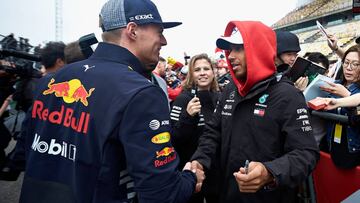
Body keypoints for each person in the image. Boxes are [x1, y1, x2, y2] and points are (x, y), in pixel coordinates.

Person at [16, 0, 204, 202]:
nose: (164, 41)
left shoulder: (51, 80)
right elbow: (162, 193)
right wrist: (192, 178)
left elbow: (22, 155)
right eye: (159, 31)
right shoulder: (141, 92)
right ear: (132, 30)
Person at [190, 21, 319, 203]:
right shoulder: (230, 90)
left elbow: (306, 153)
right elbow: (213, 132)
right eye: (230, 49)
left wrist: (270, 172)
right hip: (226, 194)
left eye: (239, 49)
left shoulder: (288, 95)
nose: (231, 56)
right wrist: (200, 160)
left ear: (259, 50)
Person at [170, 53, 220, 203]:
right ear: (191, 74)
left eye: (206, 68)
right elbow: (173, 138)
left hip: (217, 170)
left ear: (213, 72)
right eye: (197, 69)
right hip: (192, 169)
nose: (203, 73)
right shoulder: (183, 99)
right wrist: (188, 116)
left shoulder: (220, 97)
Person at [319, 44, 360, 169]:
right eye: (346, 63)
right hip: (332, 150)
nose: (348, 68)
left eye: (355, 64)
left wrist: (346, 96)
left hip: (354, 154)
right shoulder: (332, 85)